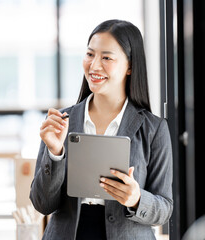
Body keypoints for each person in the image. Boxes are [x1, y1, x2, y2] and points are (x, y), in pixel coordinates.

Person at [30, 19, 173, 240]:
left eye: (106, 57)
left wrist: (137, 199)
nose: (94, 65)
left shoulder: (154, 129)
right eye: (90, 54)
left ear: (130, 66)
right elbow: (42, 204)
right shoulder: (61, 122)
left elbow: (164, 208)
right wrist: (55, 154)